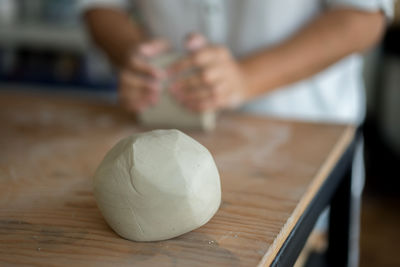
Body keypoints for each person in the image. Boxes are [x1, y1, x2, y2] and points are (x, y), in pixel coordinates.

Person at [80, 1, 393, 266]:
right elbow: (99, 7)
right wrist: (129, 52)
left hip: (302, 139)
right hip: (163, 110)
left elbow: (364, 17)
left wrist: (246, 78)